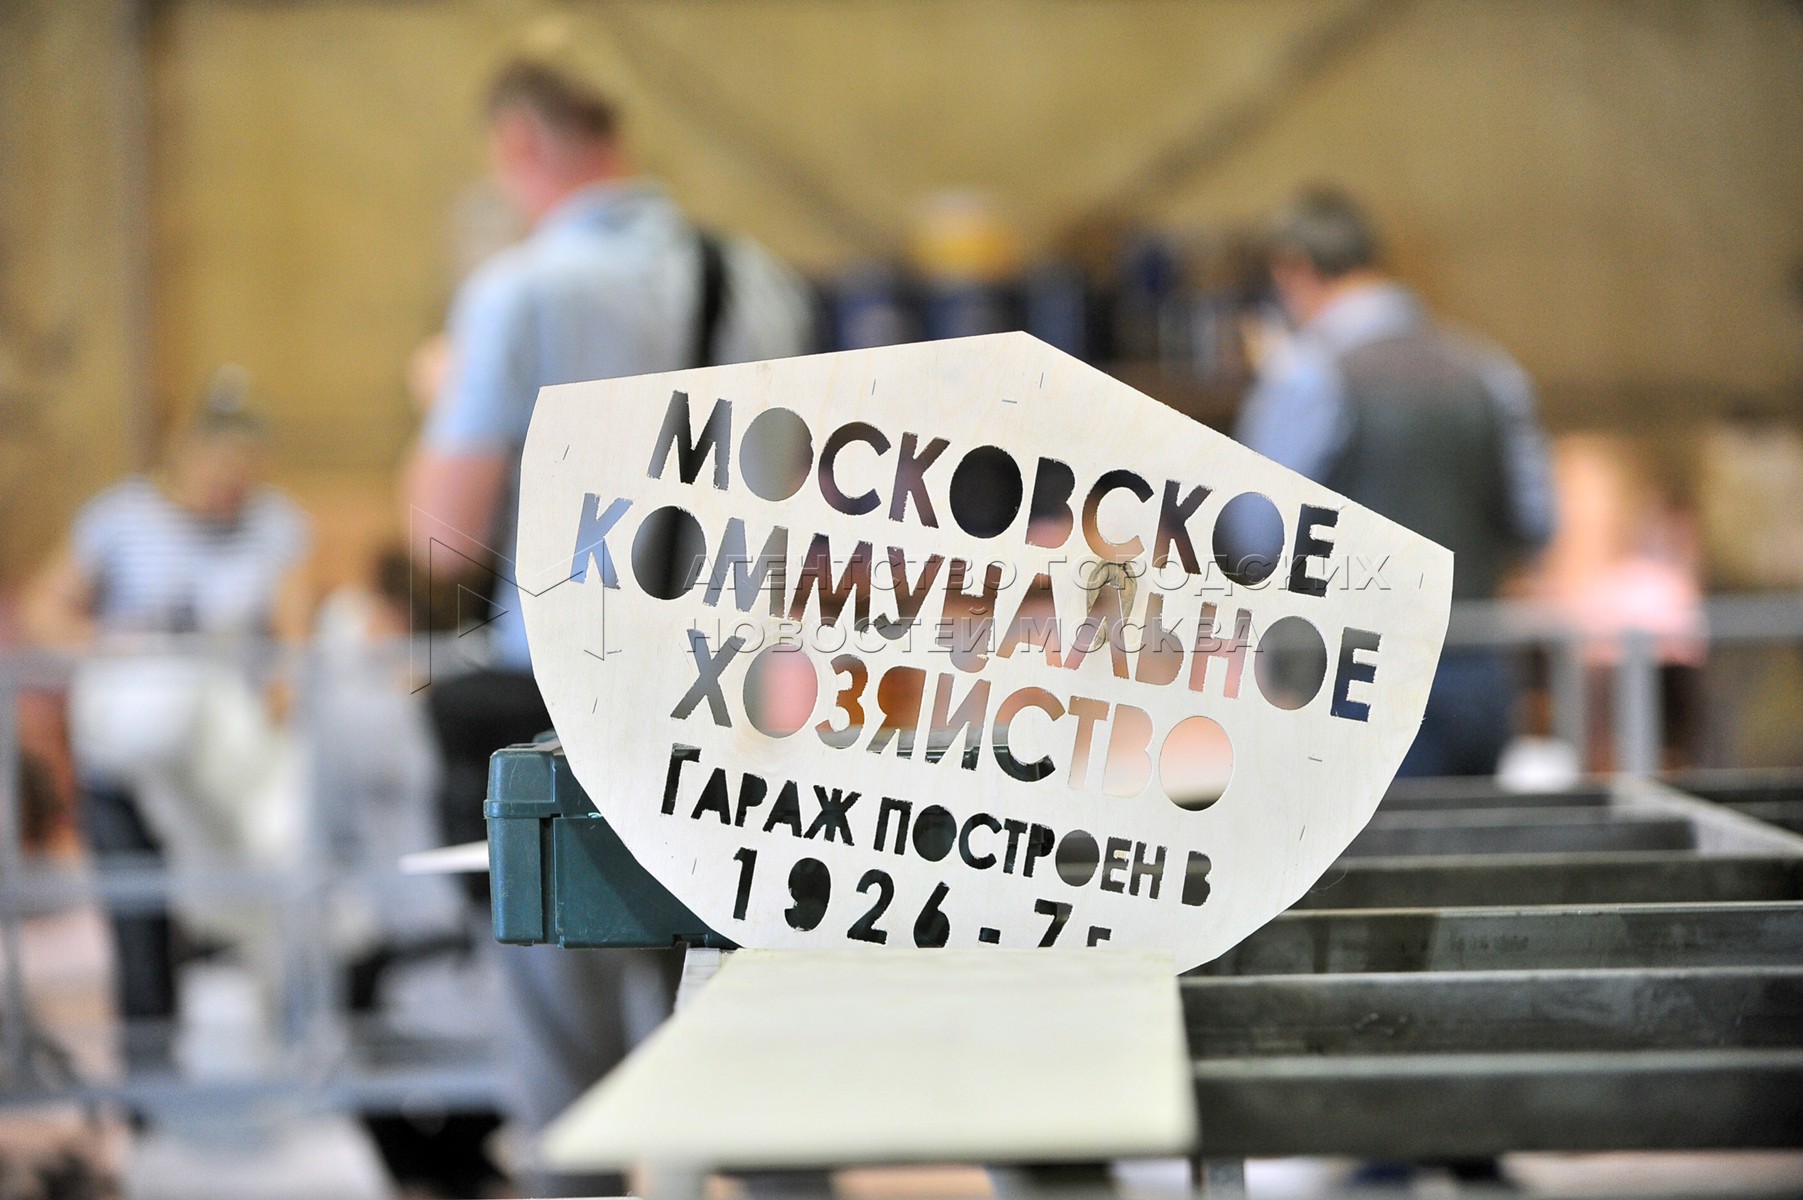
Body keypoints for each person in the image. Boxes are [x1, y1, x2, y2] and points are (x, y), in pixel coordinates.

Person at [402, 57, 811, 1196]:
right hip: (735, 704)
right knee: (740, 1032)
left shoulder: (521, 292)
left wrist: (439, 395)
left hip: (564, 703)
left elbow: (443, 532)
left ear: (519, 143)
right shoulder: (764, 282)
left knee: (569, 1072)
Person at [21, 392, 311, 1058]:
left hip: (229, 766)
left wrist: (283, 691)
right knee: (140, 928)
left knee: (253, 902)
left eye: (241, 476)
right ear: (182, 458)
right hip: (131, 756)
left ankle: (276, 1054)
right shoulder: (117, 519)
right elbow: (45, 610)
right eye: (216, 473)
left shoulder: (275, 525)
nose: (227, 490)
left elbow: (292, 638)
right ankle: (149, 1076)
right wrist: (109, 644)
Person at [1235, 187, 1556, 777]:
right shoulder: (1489, 371)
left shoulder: (1307, 376)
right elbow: (1536, 523)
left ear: (1293, 270)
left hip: (1346, 681)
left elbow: (1254, 530)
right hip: (1474, 666)